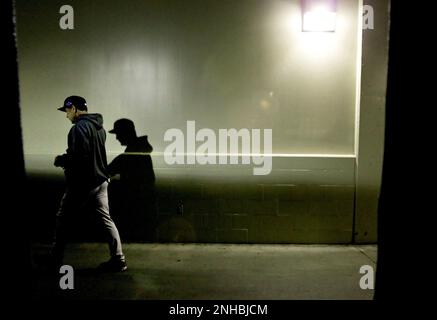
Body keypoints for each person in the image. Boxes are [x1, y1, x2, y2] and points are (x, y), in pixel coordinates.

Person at [50, 95, 127, 272]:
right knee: (106, 220)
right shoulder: (99, 128)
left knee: (63, 218)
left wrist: (61, 160)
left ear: (75, 109)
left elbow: (80, 156)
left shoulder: (78, 129)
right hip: (101, 180)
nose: (66, 115)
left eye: (67, 111)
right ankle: (119, 258)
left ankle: (55, 259)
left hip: (84, 183)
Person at [107, 118, 156, 242]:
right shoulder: (140, 153)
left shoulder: (129, 157)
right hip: (142, 206)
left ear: (125, 133)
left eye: (118, 133)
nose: (117, 138)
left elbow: (107, 171)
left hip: (134, 207)